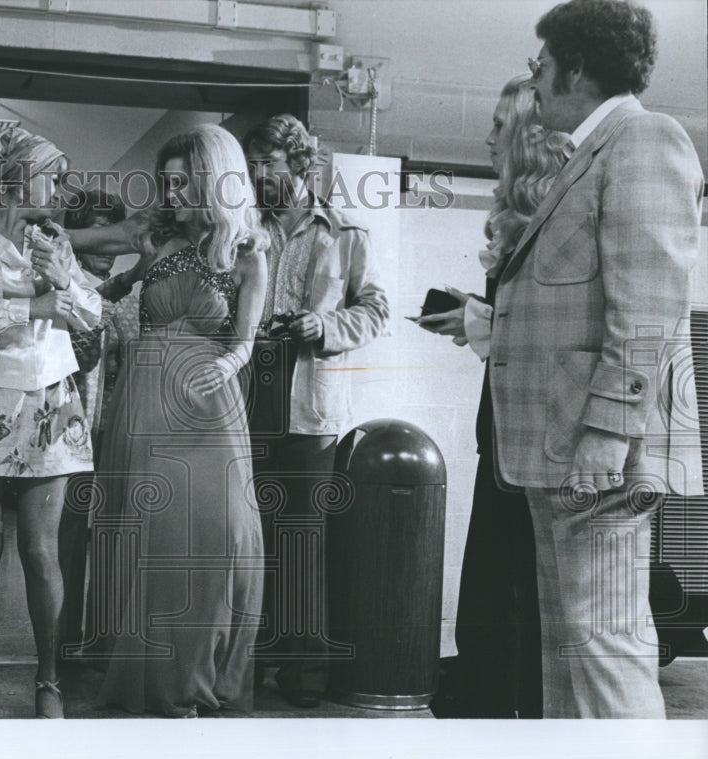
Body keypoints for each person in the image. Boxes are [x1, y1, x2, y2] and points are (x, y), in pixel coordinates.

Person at [490, 0, 703, 718]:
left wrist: (609, 432)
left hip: (598, 456)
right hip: (566, 453)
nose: (536, 79)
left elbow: (648, 310)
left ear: (576, 68)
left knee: (605, 655)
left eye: (540, 65)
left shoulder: (646, 140)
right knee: (574, 659)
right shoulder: (596, 150)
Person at [87, 124, 269, 717]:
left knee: (217, 537)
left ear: (214, 180)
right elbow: (104, 287)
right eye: (164, 182)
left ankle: (199, 676)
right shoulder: (157, 242)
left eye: (180, 181)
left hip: (209, 403)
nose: (169, 193)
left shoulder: (248, 255)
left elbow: (245, 342)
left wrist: (230, 363)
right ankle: (150, 677)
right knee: (147, 537)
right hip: (144, 402)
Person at [414, 76, 574, 718]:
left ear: (529, 139)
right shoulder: (518, 215)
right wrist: (477, 319)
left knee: (513, 592)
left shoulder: (558, 214)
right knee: (495, 587)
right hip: (504, 429)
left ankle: (506, 723)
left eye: (498, 126)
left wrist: (481, 320)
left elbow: (553, 327)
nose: (485, 137)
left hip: (536, 435)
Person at [0, 127, 101, 718]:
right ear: (14, 176)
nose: (60, 187)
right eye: (51, 175)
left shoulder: (55, 239)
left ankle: (47, 682)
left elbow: (89, 317)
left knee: (40, 550)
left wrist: (62, 278)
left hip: (49, 406)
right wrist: (31, 305)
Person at [241, 114, 389, 707]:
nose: (256, 174)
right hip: (249, 403)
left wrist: (323, 325)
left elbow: (375, 310)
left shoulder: (347, 232)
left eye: (267, 163)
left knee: (302, 543)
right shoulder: (247, 229)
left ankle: (303, 676)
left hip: (309, 409)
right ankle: (248, 667)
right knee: (251, 541)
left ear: (299, 163)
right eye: (252, 163)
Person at [57, 189, 139, 661]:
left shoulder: (131, 293)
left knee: (113, 538)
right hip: (70, 436)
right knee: (66, 543)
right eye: (98, 232)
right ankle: (63, 644)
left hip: (115, 431)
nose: (108, 246)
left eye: (115, 233)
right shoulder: (61, 283)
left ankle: (104, 644)